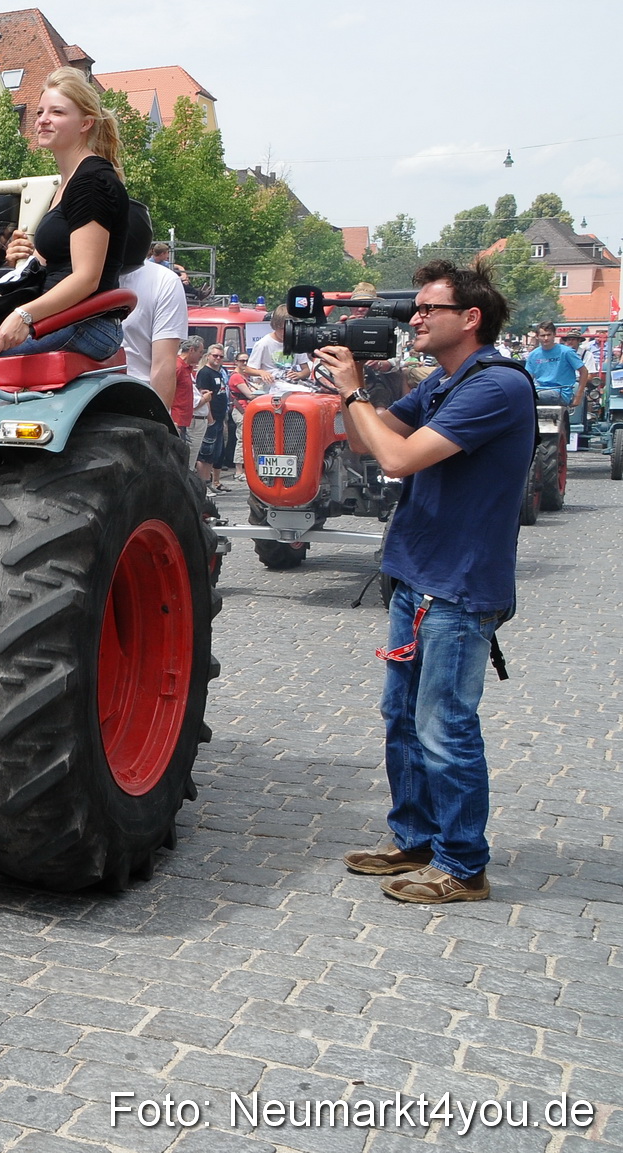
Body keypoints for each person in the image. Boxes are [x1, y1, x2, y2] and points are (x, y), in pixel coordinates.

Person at [326, 259, 534, 904]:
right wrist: (350, 393)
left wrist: (358, 392)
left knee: (444, 726)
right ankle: (415, 838)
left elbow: (396, 457)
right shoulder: (444, 382)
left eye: (427, 309)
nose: (413, 318)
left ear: (470, 318)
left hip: (460, 586)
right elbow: (371, 441)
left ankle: (462, 864)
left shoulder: (494, 387)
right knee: (402, 719)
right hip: (417, 575)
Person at [0, 68, 129, 420]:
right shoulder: (65, 183)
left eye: (57, 112)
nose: (43, 120)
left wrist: (23, 315)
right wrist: (24, 258)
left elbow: (86, 278)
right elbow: (56, 264)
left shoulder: (91, 181)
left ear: (86, 123)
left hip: (85, 323)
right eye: (41, 112)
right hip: (64, 318)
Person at [118, 232, 188, 411]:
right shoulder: (70, 272)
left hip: (135, 398)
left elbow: (164, 363)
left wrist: (160, 423)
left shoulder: (164, 280)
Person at [195, 345, 230, 490]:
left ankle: (210, 484)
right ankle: (201, 485)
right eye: (215, 355)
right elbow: (204, 396)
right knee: (205, 453)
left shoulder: (220, 373)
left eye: (220, 356)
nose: (217, 359)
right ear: (208, 356)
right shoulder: (205, 373)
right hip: (211, 417)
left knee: (215, 453)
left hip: (220, 417)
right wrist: (210, 418)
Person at [174, 335, 205, 444]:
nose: (201, 356)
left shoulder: (186, 368)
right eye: (200, 352)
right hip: (176, 422)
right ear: (191, 350)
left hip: (182, 422)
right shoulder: (178, 367)